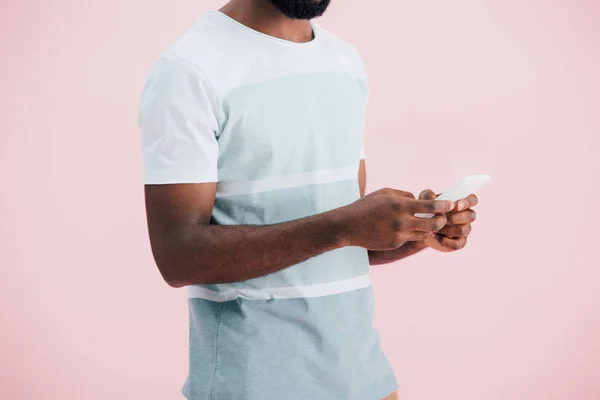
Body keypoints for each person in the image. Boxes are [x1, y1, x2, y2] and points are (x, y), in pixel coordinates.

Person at [137, 0, 479, 398]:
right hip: (255, 384)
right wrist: (345, 226)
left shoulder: (343, 61)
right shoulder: (189, 70)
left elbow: (333, 241)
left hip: (363, 378)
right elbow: (178, 257)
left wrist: (409, 230)